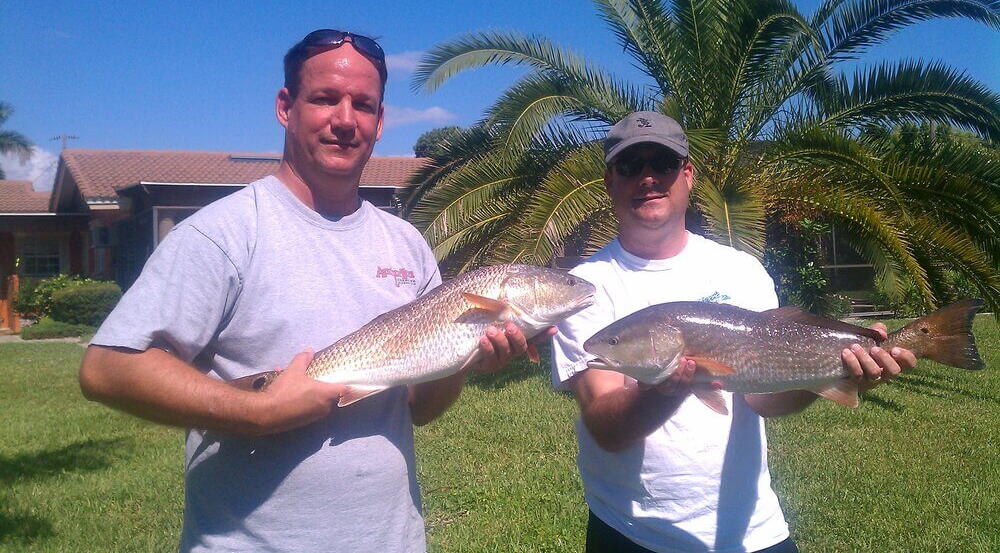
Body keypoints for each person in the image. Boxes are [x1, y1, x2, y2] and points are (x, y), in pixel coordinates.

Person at [79, 29, 544, 551]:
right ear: (286, 107)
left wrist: (466, 360)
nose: (345, 120)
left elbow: (420, 407)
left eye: (363, 105)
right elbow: (108, 367)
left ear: (380, 121)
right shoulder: (225, 233)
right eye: (325, 98)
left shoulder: (406, 243)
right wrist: (257, 412)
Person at [550, 111, 917, 552]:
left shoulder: (741, 269)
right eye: (630, 166)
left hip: (750, 530)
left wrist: (830, 374)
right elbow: (605, 428)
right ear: (610, 181)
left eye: (663, 164)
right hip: (630, 532)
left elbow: (762, 398)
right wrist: (663, 390)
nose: (648, 178)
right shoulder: (582, 289)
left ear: (687, 175)